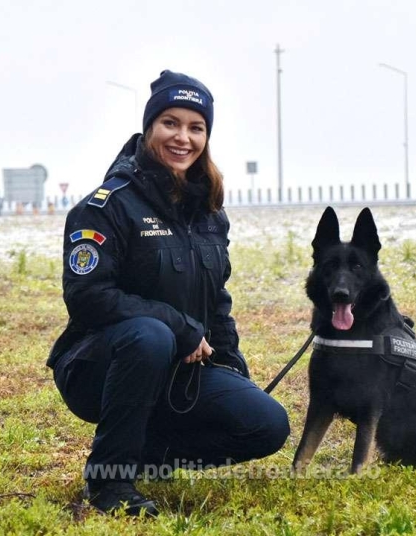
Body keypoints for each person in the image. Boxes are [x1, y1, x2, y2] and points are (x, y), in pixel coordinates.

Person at [47, 70, 290, 517]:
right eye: (170, 123)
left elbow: (216, 301)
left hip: (180, 373)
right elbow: (87, 296)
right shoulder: (106, 206)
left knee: (268, 424)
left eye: (196, 127)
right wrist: (178, 326)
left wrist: (233, 367)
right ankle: (109, 483)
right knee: (149, 335)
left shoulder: (209, 213)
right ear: (149, 128)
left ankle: (146, 455)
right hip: (99, 367)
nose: (183, 137)